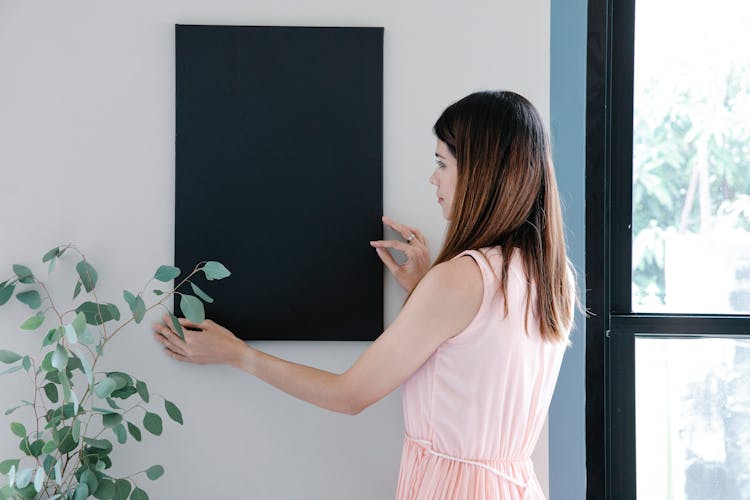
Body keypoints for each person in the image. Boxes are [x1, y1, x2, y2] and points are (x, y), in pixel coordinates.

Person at [152, 90, 577, 500]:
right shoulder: (550, 278)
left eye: (442, 163)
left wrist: (237, 353)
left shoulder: (458, 280)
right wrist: (422, 290)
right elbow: (474, 366)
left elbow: (349, 395)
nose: (434, 177)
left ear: (480, 173)